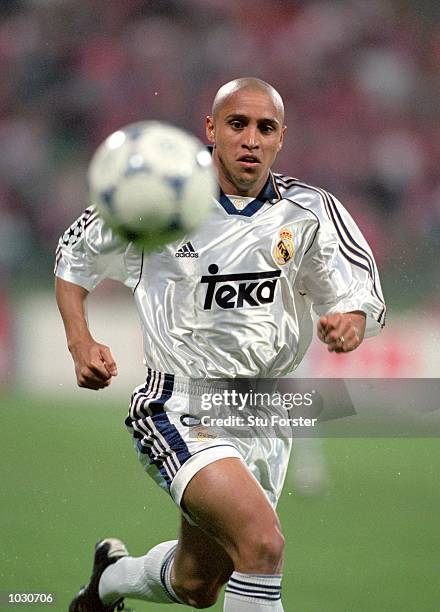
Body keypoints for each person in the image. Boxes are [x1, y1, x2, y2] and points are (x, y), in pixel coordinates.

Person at [55, 77, 386, 611]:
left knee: (197, 584)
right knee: (262, 543)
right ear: (211, 129)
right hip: (181, 404)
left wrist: (349, 320)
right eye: (238, 124)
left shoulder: (311, 213)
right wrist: (79, 339)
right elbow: (74, 259)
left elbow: (359, 294)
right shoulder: (160, 200)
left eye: (266, 128)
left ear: (282, 138)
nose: (251, 139)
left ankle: (109, 582)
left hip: (266, 410)